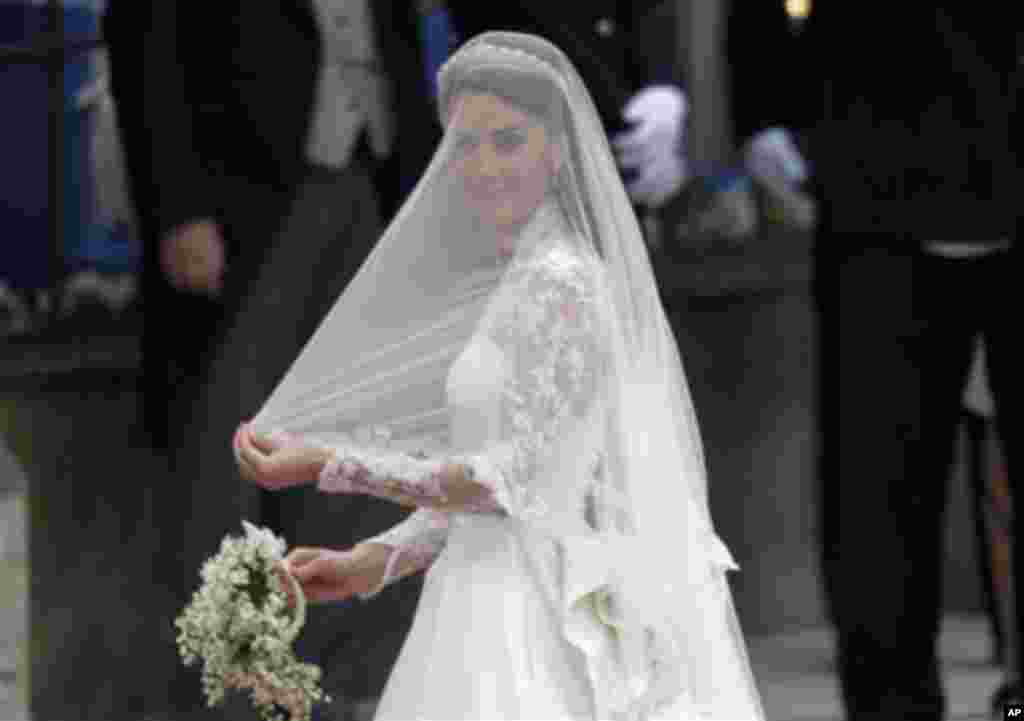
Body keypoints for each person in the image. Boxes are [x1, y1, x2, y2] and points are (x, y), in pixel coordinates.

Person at [234, 32, 765, 721]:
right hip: (478, 589)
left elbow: (502, 481)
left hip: (528, 609)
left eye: (507, 142)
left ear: (558, 152)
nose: (482, 165)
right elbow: (512, 485)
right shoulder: (520, 275)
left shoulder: (562, 281)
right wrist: (375, 559)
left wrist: (330, 464)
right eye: (466, 145)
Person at [102, 2, 438, 718]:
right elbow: (147, 31)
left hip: (367, 173)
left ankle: (334, 686)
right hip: (242, 189)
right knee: (226, 457)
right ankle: (232, 693)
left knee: (347, 451)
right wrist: (178, 206)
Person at [796, 5, 1020, 720]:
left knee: (876, 492)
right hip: (877, 162)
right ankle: (891, 705)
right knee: (876, 489)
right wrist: (769, 104)